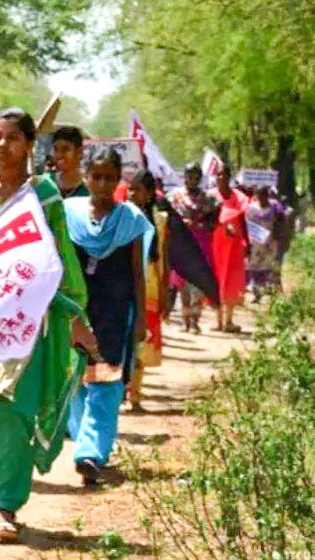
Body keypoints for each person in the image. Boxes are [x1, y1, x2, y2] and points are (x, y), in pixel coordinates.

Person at [0, 107, 94, 542]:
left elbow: (61, 259)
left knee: (11, 409)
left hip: (27, 323)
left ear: (30, 143)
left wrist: (75, 313)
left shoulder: (44, 194)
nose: (2, 145)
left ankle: (8, 505)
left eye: (12, 137)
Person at [65, 147, 152, 485]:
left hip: (113, 312)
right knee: (75, 379)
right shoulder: (69, 213)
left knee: (106, 379)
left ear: (118, 180)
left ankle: (90, 453)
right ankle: (82, 437)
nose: (102, 184)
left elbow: (137, 272)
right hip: (76, 311)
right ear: (86, 177)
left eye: (109, 178)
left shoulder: (130, 219)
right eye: (96, 177)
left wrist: (141, 317)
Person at [126, 170, 169, 411]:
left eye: (138, 189)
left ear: (149, 193)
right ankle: (123, 387)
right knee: (124, 340)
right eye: (130, 189)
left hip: (150, 286)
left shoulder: (160, 220)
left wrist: (165, 291)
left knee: (141, 342)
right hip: (124, 286)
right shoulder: (120, 216)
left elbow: (164, 257)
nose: (132, 194)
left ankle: (136, 394)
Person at [166, 163, 220, 333]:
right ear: (184, 177)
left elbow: (214, 220)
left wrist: (201, 223)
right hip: (181, 241)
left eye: (196, 176)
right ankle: (185, 320)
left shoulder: (208, 198)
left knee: (197, 284)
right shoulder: (175, 196)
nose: (192, 179)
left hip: (201, 242)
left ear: (200, 177)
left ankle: (195, 321)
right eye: (189, 175)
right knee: (182, 284)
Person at [209, 166, 248, 333]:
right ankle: (218, 320)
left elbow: (243, 220)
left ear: (230, 177)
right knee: (216, 279)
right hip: (216, 243)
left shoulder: (239, 197)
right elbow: (206, 218)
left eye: (225, 174)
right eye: (219, 174)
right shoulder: (210, 196)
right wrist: (222, 226)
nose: (222, 177)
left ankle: (229, 320)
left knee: (232, 279)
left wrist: (247, 242)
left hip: (234, 244)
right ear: (215, 176)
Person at [245, 185, 286, 300]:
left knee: (270, 266)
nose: (263, 197)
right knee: (255, 267)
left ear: (267, 195)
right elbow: (247, 224)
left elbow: (282, 220)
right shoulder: (251, 208)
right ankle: (257, 293)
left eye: (265, 194)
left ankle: (272, 292)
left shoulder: (274, 206)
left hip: (270, 242)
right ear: (256, 196)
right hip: (256, 243)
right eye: (260, 194)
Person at [50, 125, 89, 198]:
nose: (59, 155)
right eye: (55, 149)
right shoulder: (46, 184)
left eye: (65, 149)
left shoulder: (89, 187)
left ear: (79, 152)